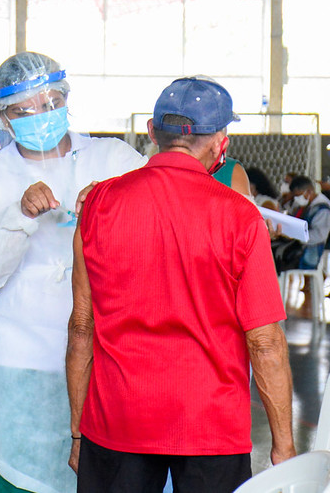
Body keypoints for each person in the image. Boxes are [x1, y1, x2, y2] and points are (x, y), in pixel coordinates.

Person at [68, 76, 295, 493]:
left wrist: (78, 431)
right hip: (210, 424)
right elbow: (265, 342)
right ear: (220, 142)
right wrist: (283, 446)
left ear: (153, 133)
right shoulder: (241, 217)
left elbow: (82, 327)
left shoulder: (98, 204)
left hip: (117, 418)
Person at [0, 52, 146, 493]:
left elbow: (161, 229)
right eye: (25, 110)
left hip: (108, 354)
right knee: (26, 479)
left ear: (66, 99)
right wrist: (17, 217)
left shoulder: (113, 159)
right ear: (3, 117)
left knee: (114, 479)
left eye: (51, 102)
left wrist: (113, 204)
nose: (41, 114)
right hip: (22, 358)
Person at [284, 174, 330, 270]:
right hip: (304, 250)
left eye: (299, 196)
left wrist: (296, 235)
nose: (297, 199)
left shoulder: (322, 209)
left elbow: (319, 235)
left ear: (309, 191)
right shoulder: (308, 205)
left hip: (313, 253)